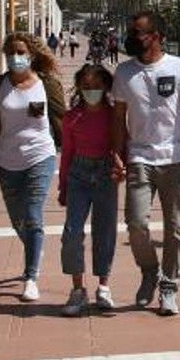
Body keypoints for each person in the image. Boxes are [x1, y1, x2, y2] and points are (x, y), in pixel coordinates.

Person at [112, 11, 180, 317]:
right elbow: (118, 118)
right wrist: (118, 152)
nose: (132, 37)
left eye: (138, 32)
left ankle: (169, 286)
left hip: (173, 158)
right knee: (137, 223)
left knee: (175, 228)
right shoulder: (124, 72)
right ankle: (149, 270)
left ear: (156, 36)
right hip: (139, 155)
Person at [0, 32, 66, 302]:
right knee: (18, 221)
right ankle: (34, 247)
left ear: (32, 54)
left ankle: (30, 276)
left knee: (32, 214)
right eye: (10, 53)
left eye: (20, 52)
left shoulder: (47, 84)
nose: (15, 57)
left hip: (40, 156)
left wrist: (76, 152)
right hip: (7, 161)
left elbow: (62, 118)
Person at [58, 64, 125, 316]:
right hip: (79, 175)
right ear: (79, 88)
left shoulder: (114, 115)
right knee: (72, 232)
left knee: (104, 230)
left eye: (97, 86)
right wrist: (63, 185)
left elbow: (122, 143)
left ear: (107, 87)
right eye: (86, 87)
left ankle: (104, 286)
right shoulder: (71, 117)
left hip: (106, 173)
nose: (92, 91)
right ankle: (77, 289)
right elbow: (67, 153)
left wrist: (121, 167)